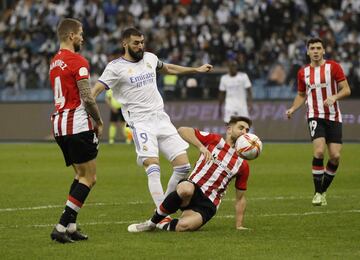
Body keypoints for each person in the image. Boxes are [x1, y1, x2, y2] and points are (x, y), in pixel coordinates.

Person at [92, 28, 213, 209]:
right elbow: (94, 92)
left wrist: (195, 69)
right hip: (140, 122)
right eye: (135, 43)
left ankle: (162, 209)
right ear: (125, 44)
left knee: (183, 167)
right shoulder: (115, 67)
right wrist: (89, 113)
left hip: (161, 118)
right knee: (153, 166)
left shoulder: (150, 58)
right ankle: (162, 218)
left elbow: (169, 68)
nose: (140, 46)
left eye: (142, 42)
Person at [127, 116, 252, 232]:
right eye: (241, 128)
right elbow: (182, 130)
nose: (244, 132)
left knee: (184, 226)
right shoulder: (214, 140)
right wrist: (201, 147)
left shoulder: (242, 164)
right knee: (186, 189)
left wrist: (239, 225)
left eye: (247, 130)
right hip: (193, 188)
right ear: (229, 129)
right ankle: (152, 223)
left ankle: (164, 221)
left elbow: (240, 198)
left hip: (209, 203)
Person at [49, 18, 104, 243]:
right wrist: (98, 120)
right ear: (71, 36)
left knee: (80, 175)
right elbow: (87, 96)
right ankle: (61, 226)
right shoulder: (77, 61)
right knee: (89, 178)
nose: (83, 37)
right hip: (77, 124)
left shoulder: (54, 62)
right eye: (80, 33)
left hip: (60, 125)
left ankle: (70, 227)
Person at [286, 37, 351, 206]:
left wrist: (334, 97)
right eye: (312, 48)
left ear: (323, 51)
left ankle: (323, 191)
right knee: (319, 152)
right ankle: (317, 193)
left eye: (318, 48)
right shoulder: (303, 72)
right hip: (314, 115)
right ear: (307, 51)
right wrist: (293, 108)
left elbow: (347, 89)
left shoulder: (333, 67)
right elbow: (301, 95)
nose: (315, 51)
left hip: (333, 116)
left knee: (335, 156)